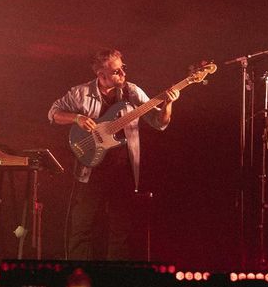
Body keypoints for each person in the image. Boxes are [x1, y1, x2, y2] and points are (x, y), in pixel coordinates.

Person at [47, 48, 175, 261]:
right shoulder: (80, 93)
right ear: (101, 75)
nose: (122, 74)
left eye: (123, 68)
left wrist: (168, 104)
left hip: (122, 173)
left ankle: (115, 282)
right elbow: (53, 114)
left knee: (120, 232)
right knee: (81, 228)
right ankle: (79, 277)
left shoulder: (132, 92)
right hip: (90, 172)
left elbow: (159, 123)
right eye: (116, 71)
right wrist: (77, 118)